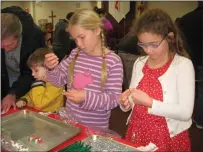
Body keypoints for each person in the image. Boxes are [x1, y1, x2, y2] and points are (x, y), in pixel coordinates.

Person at [118, 9, 195, 151]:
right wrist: (126, 103)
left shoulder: (182, 65)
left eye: (153, 44)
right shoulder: (139, 62)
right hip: (138, 131)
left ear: (170, 37)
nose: (148, 50)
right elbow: (133, 98)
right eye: (143, 44)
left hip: (166, 136)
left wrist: (150, 102)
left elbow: (185, 112)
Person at [45, 8, 123, 129]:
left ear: (97, 30)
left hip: (95, 128)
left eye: (82, 37)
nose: (79, 44)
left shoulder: (113, 61)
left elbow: (114, 99)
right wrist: (51, 69)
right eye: (75, 40)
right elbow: (58, 80)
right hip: (70, 124)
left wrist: (86, 97)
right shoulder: (75, 53)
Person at [1, 6, 45, 114]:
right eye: (1, 47)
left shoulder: (34, 37)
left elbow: (31, 72)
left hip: (26, 84)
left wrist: (13, 93)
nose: (6, 50)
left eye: (10, 44)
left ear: (19, 35)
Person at [16, 48, 64, 112]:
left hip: (52, 118)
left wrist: (38, 84)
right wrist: (24, 100)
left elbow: (39, 105)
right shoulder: (42, 81)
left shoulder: (55, 84)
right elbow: (31, 95)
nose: (32, 74)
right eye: (31, 70)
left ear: (48, 68)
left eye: (36, 70)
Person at [179, 1, 203, 129]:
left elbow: (181, 41)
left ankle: (199, 119)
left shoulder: (186, 18)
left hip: (192, 58)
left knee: (196, 89)